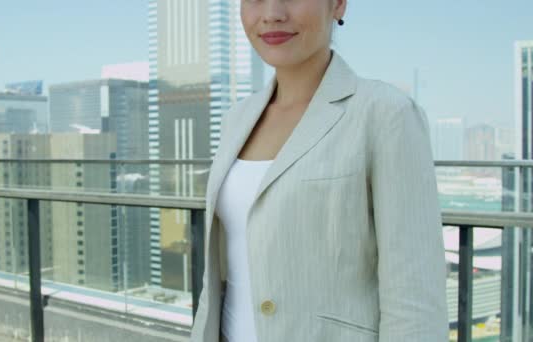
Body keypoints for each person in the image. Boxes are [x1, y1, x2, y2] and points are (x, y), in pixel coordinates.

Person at [190, 0, 449, 341]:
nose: (271, 13)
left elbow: (414, 299)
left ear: (338, 5)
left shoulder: (385, 114)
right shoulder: (237, 119)